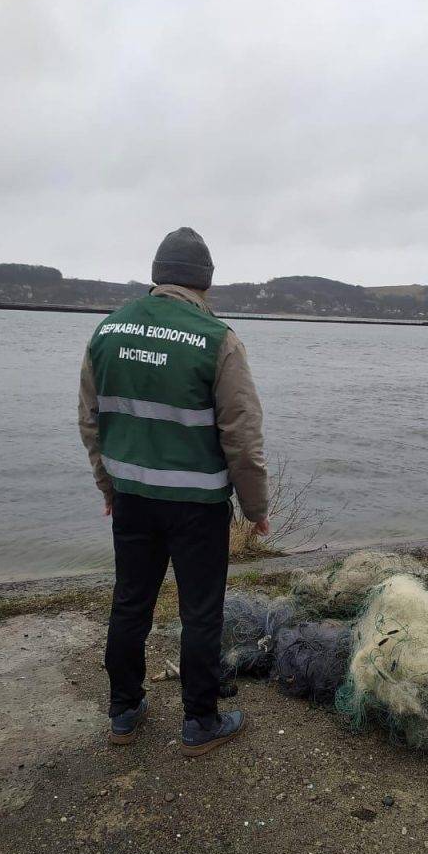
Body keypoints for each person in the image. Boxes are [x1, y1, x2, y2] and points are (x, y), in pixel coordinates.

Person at [78, 227, 269, 754]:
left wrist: (109, 487)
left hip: (133, 499)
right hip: (198, 506)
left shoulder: (107, 332)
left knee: (130, 604)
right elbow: (242, 433)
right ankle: (199, 722)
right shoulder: (217, 339)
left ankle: (124, 710)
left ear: (157, 276)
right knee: (201, 612)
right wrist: (256, 509)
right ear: (205, 281)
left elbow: (90, 422)